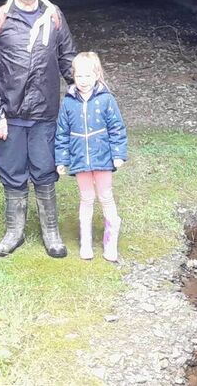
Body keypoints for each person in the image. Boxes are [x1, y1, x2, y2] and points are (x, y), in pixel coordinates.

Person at [0, 0, 76, 258]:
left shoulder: (54, 16)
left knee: (45, 169)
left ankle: (51, 233)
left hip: (45, 112)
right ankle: (14, 232)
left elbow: (67, 57)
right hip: (9, 113)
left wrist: (83, 82)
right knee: (12, 171)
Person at [54, 51, 127, 262]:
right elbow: (61, 133)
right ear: (73, 76)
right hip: (79, 158)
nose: (83, 81)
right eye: (79, 77)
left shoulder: (106, 100)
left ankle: (110, 238)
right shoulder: (68, 103)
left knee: (105, 196)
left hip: (103, 157)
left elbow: (117, 128)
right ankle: (86, 241)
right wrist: (61, 159)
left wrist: (118, 154)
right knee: (86, 198)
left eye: (87, 76)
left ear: (96, 75)